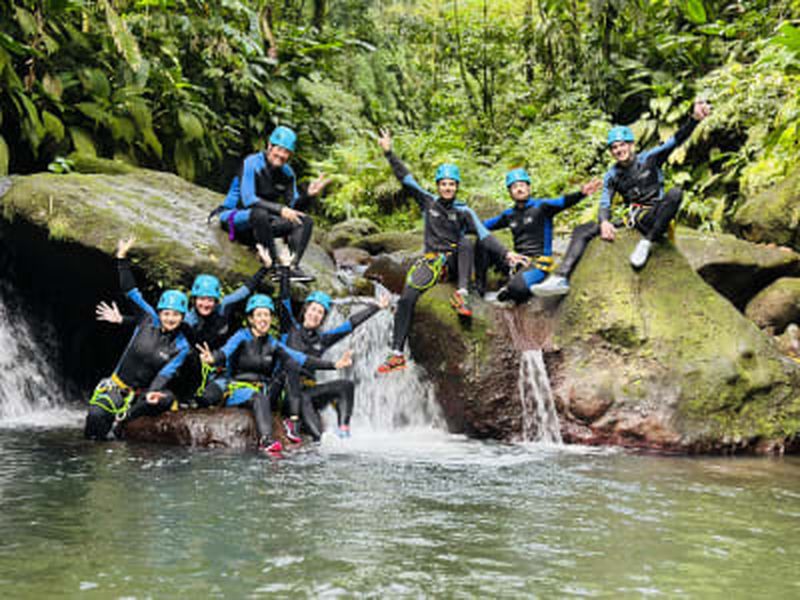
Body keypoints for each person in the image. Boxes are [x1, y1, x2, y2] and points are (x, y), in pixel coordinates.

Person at [375, 129, 525, 374]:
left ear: (457, 187)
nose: (447, 188)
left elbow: (483, 234)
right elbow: (405, 178)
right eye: (443, 184)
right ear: (438, 186)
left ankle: (462, 294)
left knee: (466, 240)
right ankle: (396, 354)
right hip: (431, 263)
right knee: (406, 299)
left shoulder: (464, 211)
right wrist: (389, 152)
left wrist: (506, 253)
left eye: (451, 184)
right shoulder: (428, 202)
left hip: (455, 262)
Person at [531, 99, 712, 297]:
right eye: (614, 147)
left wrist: (694, 119)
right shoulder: (612, 174)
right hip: (634, 219)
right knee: (583, 229)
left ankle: (646, 244)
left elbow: (676, 140)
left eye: (622, 145)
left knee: (675, 193)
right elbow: (605, 201)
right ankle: (561, 277)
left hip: (655, 216)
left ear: (631, 145)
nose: (619, 150)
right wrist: (604, 222)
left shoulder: (650, 158)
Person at [96, 245, 274, 406]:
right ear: (194, 299)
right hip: (190, 367)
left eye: (210, 300)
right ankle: (180, 396)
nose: (206, 304)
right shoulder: (186, 319)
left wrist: (265, 268)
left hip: (217, 368)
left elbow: (245, 290)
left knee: (207, 399)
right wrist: (123, 320)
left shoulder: (224, 307)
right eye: (202, 299)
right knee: (185, 354)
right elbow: (157, 323)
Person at [196, 294, 352, 455]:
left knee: (290, 364)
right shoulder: (241, 336)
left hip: (265, 390)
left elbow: (302, 359)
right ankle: (266, 441)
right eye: (259, 315)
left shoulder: (273, 343)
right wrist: (212, 358)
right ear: (251, 319)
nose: (263, 319)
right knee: (258, 397)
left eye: (267, 315)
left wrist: (334, 365)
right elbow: (225, 352)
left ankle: (293, 422)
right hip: (239, 390)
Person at [85, 238, 190, 440]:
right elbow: (131, 292)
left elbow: (165, 374)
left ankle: (124, 420)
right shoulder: (147, 319)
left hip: (142, 396)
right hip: (117, 387)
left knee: (165, 398)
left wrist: (153, 392)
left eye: (176, 314)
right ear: (159, 313)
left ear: (182, 317)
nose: (170, 318)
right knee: (96, 416)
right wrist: (121, 258)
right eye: (166, 313)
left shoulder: (181, 346)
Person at [275, 256, 390, 441]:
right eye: (313, 309)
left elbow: (350, 325)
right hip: (288, 393)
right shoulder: (289, 328)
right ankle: (313, 435)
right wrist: (286, 269)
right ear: (305, 310)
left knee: (345, 385)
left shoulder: (323, 339)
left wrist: (376, 307)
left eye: (320, 312)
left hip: (310, 392)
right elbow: (284, 300)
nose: (315, 314)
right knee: (302, 399)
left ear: (323, 317)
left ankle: (343, 429)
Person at [209, 125, 331, 282]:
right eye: (279, 149)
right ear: (269, 146)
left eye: (286, 152)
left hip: (262, 227)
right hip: (236, 218)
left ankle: (290, 268)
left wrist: (308, 195)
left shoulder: (288, 174)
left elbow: (293, 206)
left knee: (304, 221)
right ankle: (272, 264)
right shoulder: (251, 163)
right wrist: (280, 209)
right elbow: (248, 200)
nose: (281, 155)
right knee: (261, 214)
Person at [475, 168, 601, 303]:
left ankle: (508, 291)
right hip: (516, 262)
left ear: (529, 188)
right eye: (514, 187)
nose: (519, 189)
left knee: (517, 288)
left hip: (537, 264)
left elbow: (562, 202)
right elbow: (481, 225)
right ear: (510, 192)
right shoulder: (509, 215)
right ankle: (479, 290)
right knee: (482, 241)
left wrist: (581, 193)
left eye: (522, 185)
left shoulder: (542, 207)